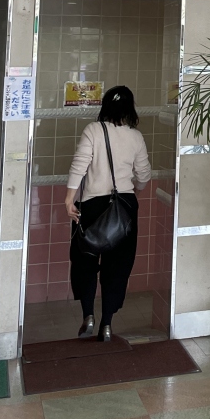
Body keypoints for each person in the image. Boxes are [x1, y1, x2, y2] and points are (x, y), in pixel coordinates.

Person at [65, 85, 151, 341]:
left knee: (85, 261)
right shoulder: (136, 137)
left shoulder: (93, 130)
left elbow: (80, 164)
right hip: (124, 207)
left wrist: (69, 199)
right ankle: (107, 324)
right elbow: (144, 174)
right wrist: (135, 191)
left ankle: (88, 315)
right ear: (130, 108)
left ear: (105, 105)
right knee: (118, 267)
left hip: (91, 206)